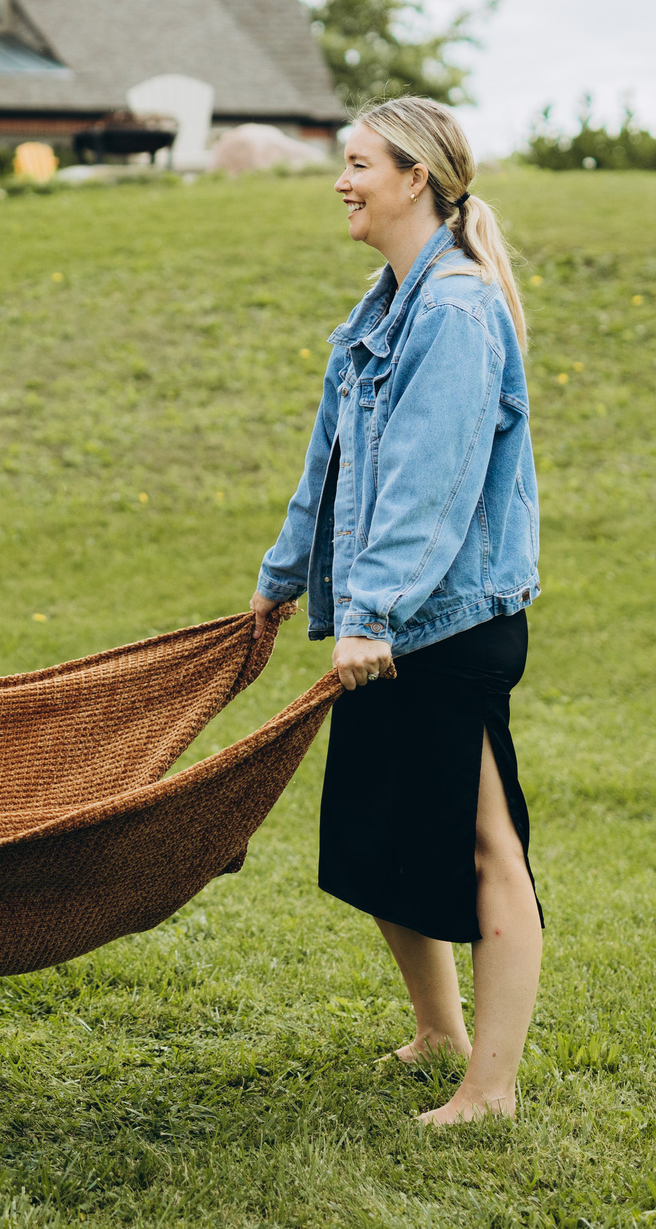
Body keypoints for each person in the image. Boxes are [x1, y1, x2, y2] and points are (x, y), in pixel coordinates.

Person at [247, 97, 543, 1126]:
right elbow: (328, 465)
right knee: (374, 840)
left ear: (414, 177)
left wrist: (368, 614)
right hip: (386, 623)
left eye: (359, 162)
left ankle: (489, 1090)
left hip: (447, 626)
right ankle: (438, 1034)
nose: (342, 180)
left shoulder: (455, 314)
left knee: (483, 847)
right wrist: (284, 575)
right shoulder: (381, 308)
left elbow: (429, 486)